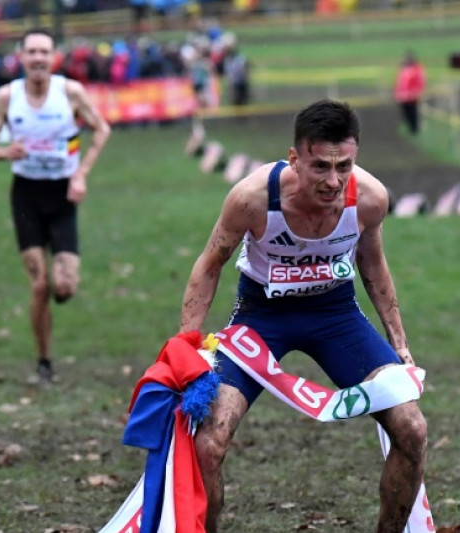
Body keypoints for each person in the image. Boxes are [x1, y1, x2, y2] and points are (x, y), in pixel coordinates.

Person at [180, 100, 427, 532]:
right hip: (261, 318)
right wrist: (186, 347)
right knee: (208, 443)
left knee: (411, 428)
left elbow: (373, 264)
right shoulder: (252, 198)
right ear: (294, 159)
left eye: (344, 165)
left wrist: (400, 344)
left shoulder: (369, 199)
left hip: (336, 316)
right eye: (320, 167)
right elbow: (210, 263)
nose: (333, 181)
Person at [0, 29, 111, 381]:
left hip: (63, 194)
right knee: (39, 285)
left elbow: (102, 129)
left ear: (54, 57)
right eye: (31, 51)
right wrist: (6, 151)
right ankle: (44, 361)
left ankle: (59, 293)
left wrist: (81, 174)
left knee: (64, 286)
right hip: (26, 195)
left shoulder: (69, 92)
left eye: (44, 52)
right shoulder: (8, 97)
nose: (38, 58)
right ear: (20, 56)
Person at [393, 51, 426, 136]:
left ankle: (414, 129)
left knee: (412, 113)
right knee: (406, 113)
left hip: (412, 96)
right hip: (402, 96)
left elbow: (420, 81)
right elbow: (399, 83)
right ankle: (410, 128)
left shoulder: (416, 69)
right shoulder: (403, 69)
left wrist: (417, 92)